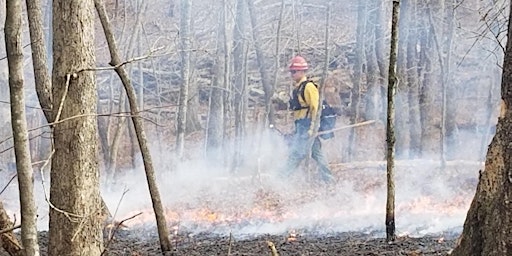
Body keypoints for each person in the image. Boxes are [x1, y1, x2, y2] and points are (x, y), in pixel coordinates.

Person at [280, 55, 335, 183]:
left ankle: (280, 179)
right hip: (301, 126)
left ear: (302, 71)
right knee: (316, 153)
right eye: (291, 71)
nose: (292, 74)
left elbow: (316, 109)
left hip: (307, 127)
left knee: (296, 153)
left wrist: (313, 128)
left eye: (294, 71)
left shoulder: (309, 87)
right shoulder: (298, 88)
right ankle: (329, 180)